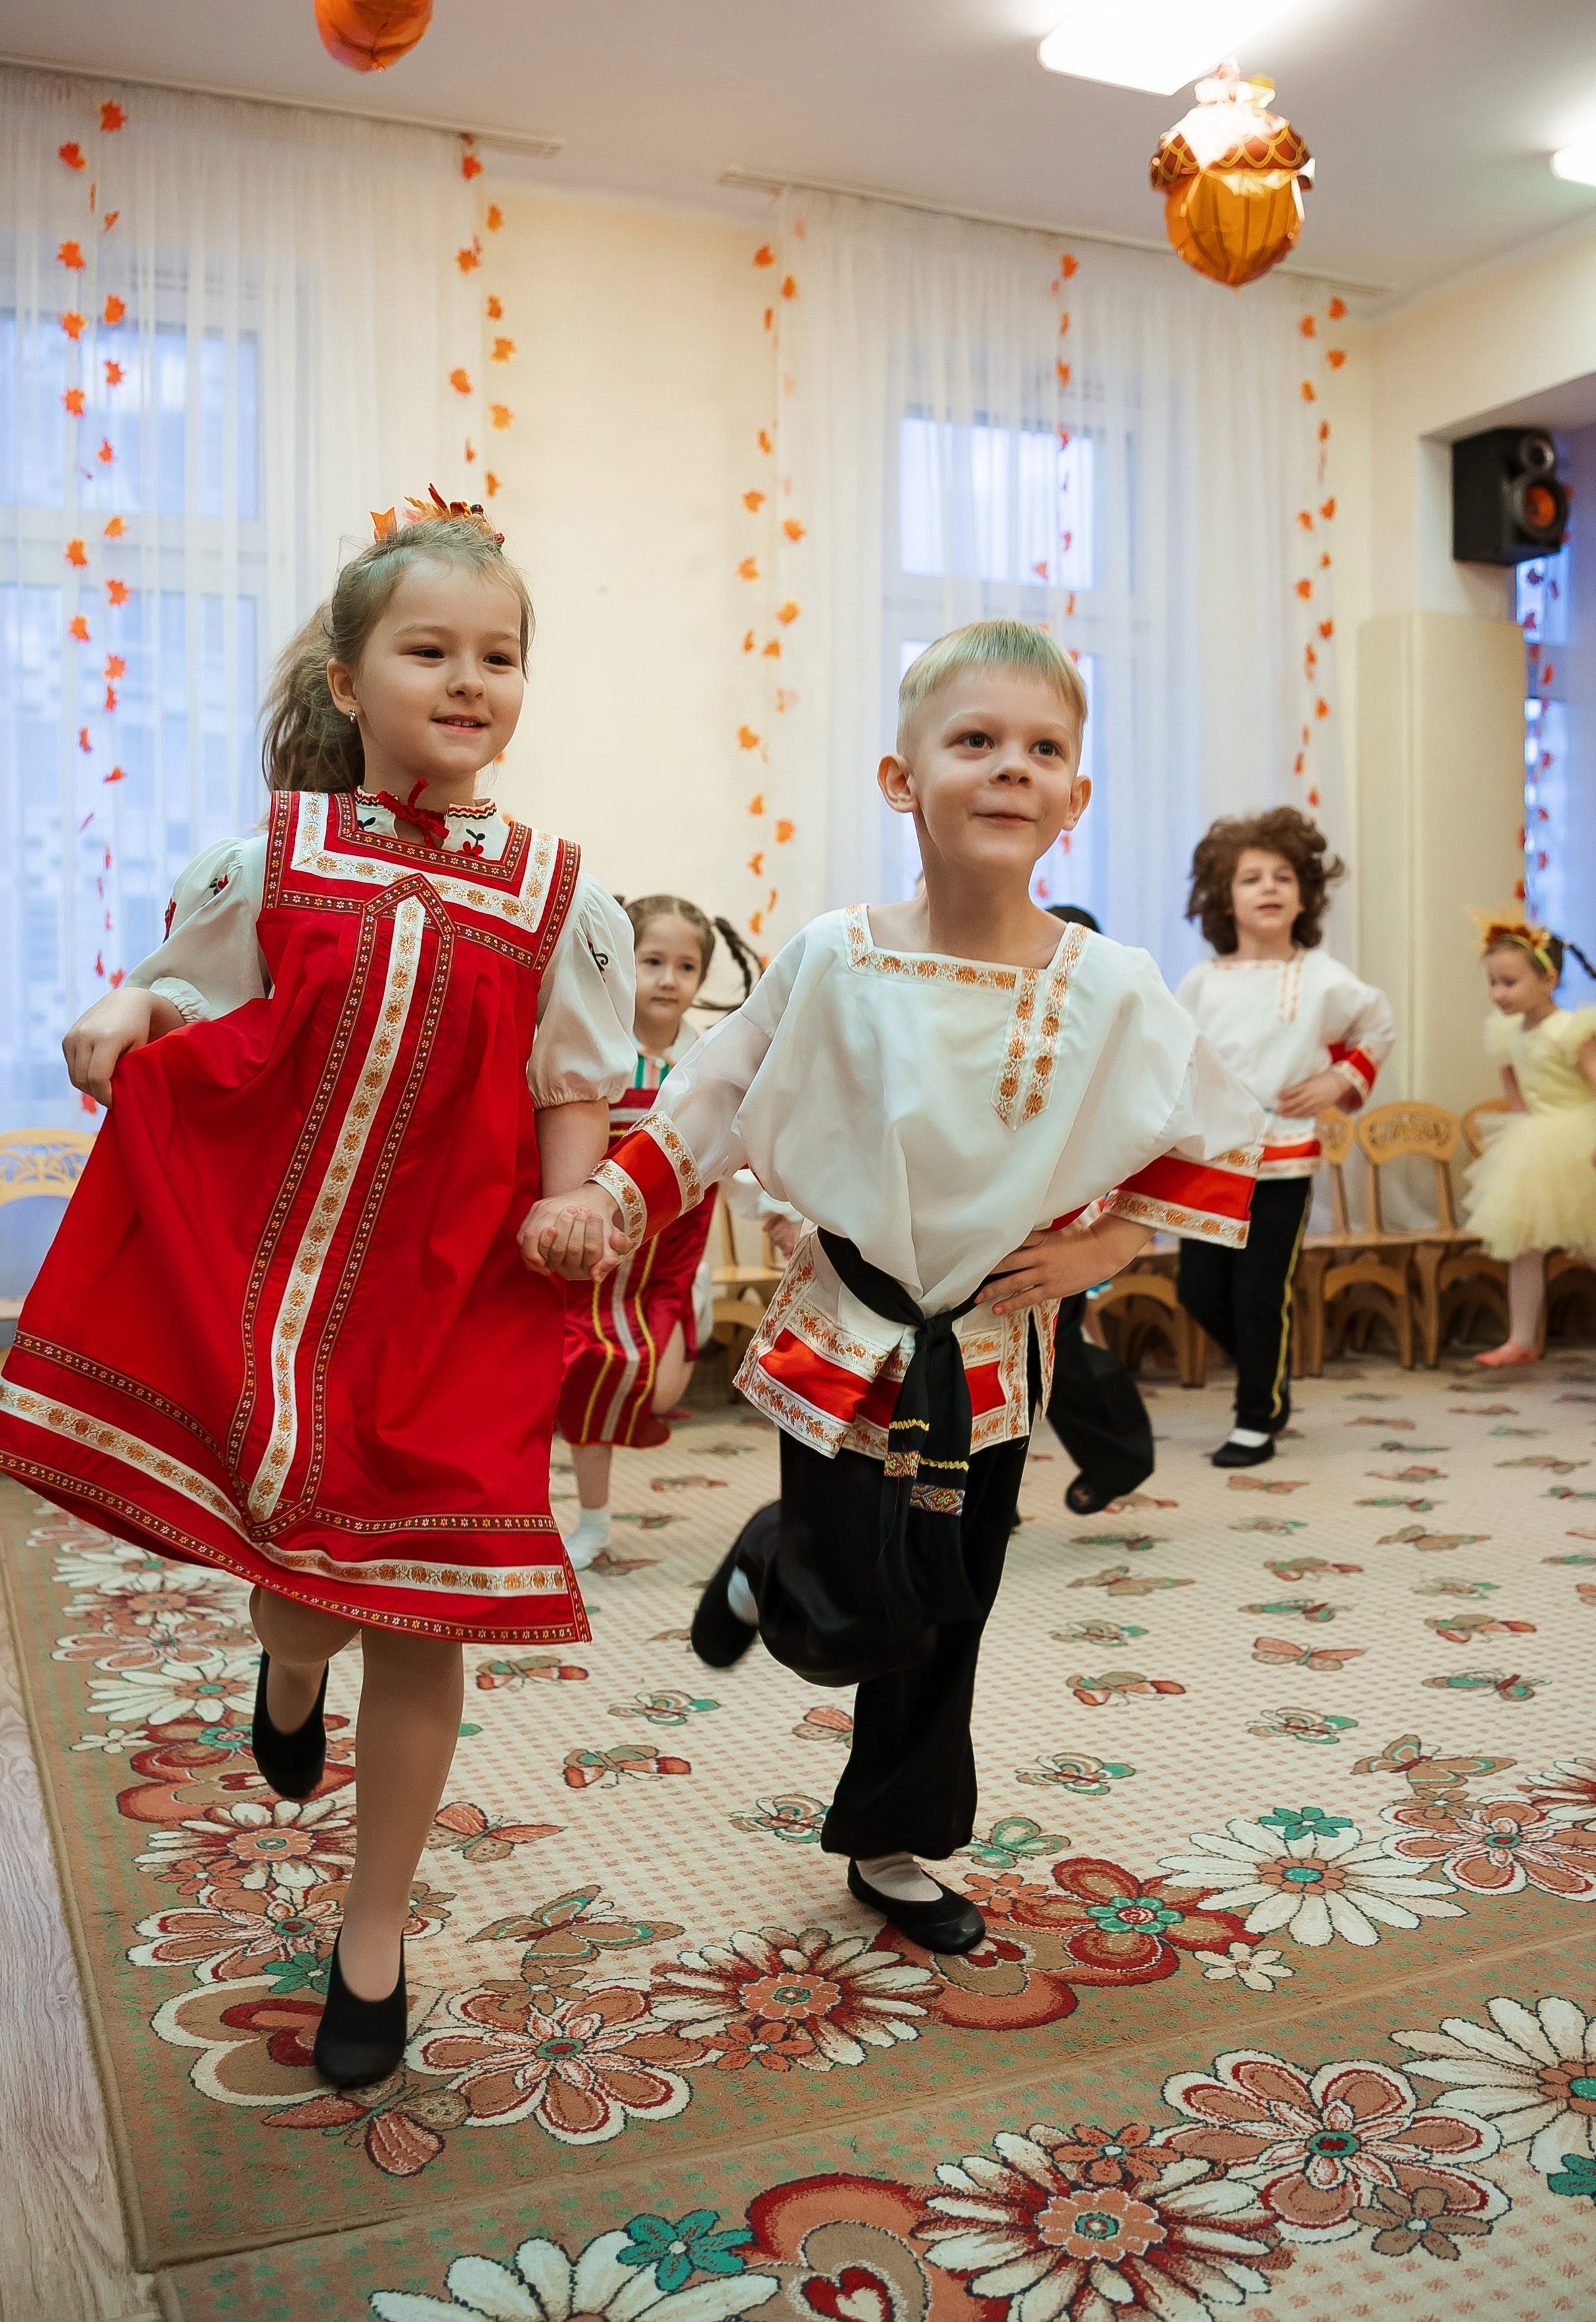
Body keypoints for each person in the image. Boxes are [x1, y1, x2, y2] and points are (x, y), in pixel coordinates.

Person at [0, 498, 635, 2089]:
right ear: (349, 681)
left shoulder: (559, 894)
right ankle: (285, 1656)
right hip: (285, 1289)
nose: (467, 678)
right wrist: (123, 1007)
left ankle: (376, 1927)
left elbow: (576, 1082)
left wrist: (571, 1196)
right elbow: (190, 988)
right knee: (309, 1589)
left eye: (499, 654)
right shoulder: (274, 854)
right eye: (429, 648)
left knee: (419, 1616)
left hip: (454, 1302)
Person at [518, 618, 1263, 1958]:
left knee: (949, 1605)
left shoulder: (1112, 985)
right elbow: (713, 1103)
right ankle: (773, 1559)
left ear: (1075, 797)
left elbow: (1215, 1139)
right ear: (898, 777)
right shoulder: (834, 956)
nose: (1007, 769)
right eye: (972, 741)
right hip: (845, 1330)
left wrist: (1099, 1252)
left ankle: (891, 1837)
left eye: (1041, 750)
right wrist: (606, 1205)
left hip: (984, 1349)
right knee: (848, 1606)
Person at [1175, 808, 1394, 1466]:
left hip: (1284, 1159)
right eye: (1249, 878)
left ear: (1304, 896)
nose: (1267, 887)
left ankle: (1256, 1418)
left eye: (1281, 876)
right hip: (1210, 1159)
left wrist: (1338, 1082)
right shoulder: (1200, 982)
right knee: (1199, 1290)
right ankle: (1265, 1375)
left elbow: (1377, 1026)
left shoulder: (1326, 977)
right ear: (1224, 898)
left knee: (1258, 1291)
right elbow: (1174, 1061)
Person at [558, 894, 759, 1569]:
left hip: (667, 1269)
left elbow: (737, 1163)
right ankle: (589, 1520)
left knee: (656, 1388)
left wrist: (782, 1224)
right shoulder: (591, 1056)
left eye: (686, 966)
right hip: (584, 1265)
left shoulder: (707, 1069)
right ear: (624, 966)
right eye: (652, 961)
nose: (669, 980)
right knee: (579, 1379)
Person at [1041, 904, 1156, 1514]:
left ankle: (1121, 1456)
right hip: (962, 1226)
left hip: (1061, 1226)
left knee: (1053, 1350)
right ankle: (969, 1504)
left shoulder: (1110, 1033)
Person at [1462, 910, 1596, 1367]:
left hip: (1582, 1139)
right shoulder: (1506, 1031)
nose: (1499, 994)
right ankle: (1521, 1339)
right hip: (1537, 1142)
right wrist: (1521, 1136)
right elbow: (1515, 1087)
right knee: (1524, 1245)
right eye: (1494, 983)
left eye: (1510, 983)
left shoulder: (1572, 1029)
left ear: (1549, 979)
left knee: (1591, 1243)